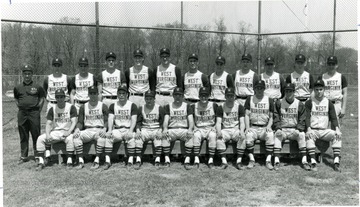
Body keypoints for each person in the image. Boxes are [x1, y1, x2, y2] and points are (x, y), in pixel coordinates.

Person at [305, 79, 342, 172]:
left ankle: (336, 161)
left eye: (320, 89)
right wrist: (308, 129)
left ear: (324, 89)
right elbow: (307, 118)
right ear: (314, 90)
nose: (318, 92)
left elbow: (333, 117)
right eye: (316, 89)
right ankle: (313, 162)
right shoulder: (309, 102)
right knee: (309, 137)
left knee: (336, 135)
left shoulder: (328, 102)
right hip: (313, 130)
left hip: (324, 130)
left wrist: (337, 129)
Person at [35, 89, 77, 170]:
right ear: (55, 98)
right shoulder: (52, 108)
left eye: (61, 97)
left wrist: (69, 131)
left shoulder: (71, 107)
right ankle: (41, 162)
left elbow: (74, 122)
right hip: (56, 131)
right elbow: (48, 123)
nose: (60, 99)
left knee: (70, 139)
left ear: (64, 97)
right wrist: (47, 134)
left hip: (67, 131)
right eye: (58, 97)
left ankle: (70, 161)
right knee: (40, 138)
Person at [273, 83, 309, 171]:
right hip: (283, 129)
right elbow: (276, 116)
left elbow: (302, 118)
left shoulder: (299, 104)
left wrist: (299, 129)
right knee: (277, 135)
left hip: (294, 129)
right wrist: (278, 128)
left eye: (290, 91)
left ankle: (304, 161)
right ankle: (276, 161)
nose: (288, 93)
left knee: (302, 135)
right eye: (287, 91)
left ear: (294, 92)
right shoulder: (279, 102)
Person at [14, 65, 45, 164]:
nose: (27, 76)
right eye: (25, 73)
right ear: (23, 74)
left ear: (32, 75)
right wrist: (20, 106)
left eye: (29, 74)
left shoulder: (37, 86)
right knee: (23, 134)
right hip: (22, 113)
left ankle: (37, 155)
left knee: (36, 133)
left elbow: (41, 98)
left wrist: (38, 110)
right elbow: (16, 98)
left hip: (34, 112)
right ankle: (24, 156)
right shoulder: (18, 87)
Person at [73, 86, 109, 169]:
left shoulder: (103, 105)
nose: (93, 95)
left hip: (99, 129)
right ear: (88, 94)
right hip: (88, 129)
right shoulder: (83, 107)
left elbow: (107, 120)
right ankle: (81, 161)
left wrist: (104, 128)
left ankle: (97, 160)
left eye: (95, 93)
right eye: (91, 93)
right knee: (76, 136)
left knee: (102, 137)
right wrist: (77, 129)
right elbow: (80, 122)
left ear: (98, 94)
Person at [105, 85, 138, 169]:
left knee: (132, 137)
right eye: (119, 93)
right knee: (108, 137)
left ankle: (130, 161)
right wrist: (109, 130)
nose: (121, 95)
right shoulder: (113, 105)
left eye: (123, 93)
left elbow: (134, 120)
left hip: (128, 129)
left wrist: (131, 131)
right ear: (117, 94)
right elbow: (110, 118)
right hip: (118, 129)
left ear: (127, 94)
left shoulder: (132, 105)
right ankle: (107, 161)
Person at [244, 80, 275, 170]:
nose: (259, 90)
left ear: (264, 89)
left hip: (264, 126)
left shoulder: (269, 100)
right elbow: (246, 114)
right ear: (254, 89)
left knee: (270, 135)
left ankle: (268, 160)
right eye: (257, 88)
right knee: (248, 135)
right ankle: (251, 159)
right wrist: (247, 127)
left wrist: (269, 126)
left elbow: (271, 117)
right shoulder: (250, 99)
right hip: (253, 126)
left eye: (261, 88)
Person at [162, 87, 195, 169]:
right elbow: (166, 120)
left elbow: (191, 120)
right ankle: (167, 159)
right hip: (172, 129)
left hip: (183, 129)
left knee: (191, 136)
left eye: (179, 95)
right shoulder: (168, 106)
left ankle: (187, 160)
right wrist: (165, 128)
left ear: (182, 96)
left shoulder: (187, 106)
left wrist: (190, 129)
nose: (177, 97)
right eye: (176, 95)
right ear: (173, 96)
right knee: (164, 135)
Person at [215, 87, 246, 169]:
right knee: (218, 139)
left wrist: (242, 131)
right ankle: (224, 161)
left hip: (235, 129)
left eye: (231, 96)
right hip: (225, 129)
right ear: (225, 96)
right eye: (228, 96)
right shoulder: (221, 107)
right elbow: (218, 122)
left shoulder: (239, 107)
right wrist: (219, 132)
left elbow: (242, 122)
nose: (230, 98)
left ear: (234, 96)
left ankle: (239, 161)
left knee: (242, 137)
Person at [135, 90, 165, 169]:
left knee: (158, 139)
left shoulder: (159, 108)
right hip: (145, 129)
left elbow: (163, 122)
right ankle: (138, 160)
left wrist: (160, 130)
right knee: (138, 137)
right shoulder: (141, 108)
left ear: (154, 99)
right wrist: (138, 130)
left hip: (156, 129)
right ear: (145, 99)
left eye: (150, 99)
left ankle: (157, 160)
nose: (148, 100)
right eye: (147, 99)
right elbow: (138, 122)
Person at [191, 87, 218, 169]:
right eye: (202, 95)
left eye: (205, 95)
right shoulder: (194, 106)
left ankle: (211, 160)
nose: (204, 97)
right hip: (199, 127)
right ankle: (196, 159)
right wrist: (194, 126)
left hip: (210, 127)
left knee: (213, 136)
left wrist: (215, 126)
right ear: (199, 96)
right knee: (196, 135)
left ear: (209, 96)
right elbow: (191, 118)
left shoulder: (213, 105)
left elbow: (219, 118)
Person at [319, 55, 348, 122]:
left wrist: (343, 108)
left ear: (336, 65)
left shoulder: (341, 77)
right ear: (327, 65)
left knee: (336, 128)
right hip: (324, 104)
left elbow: (345, 93)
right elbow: (317, 92)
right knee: (323, 127)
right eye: (329, 64)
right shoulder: (322, 77)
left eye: (333, 64)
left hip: (337, 104)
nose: (331, 66)